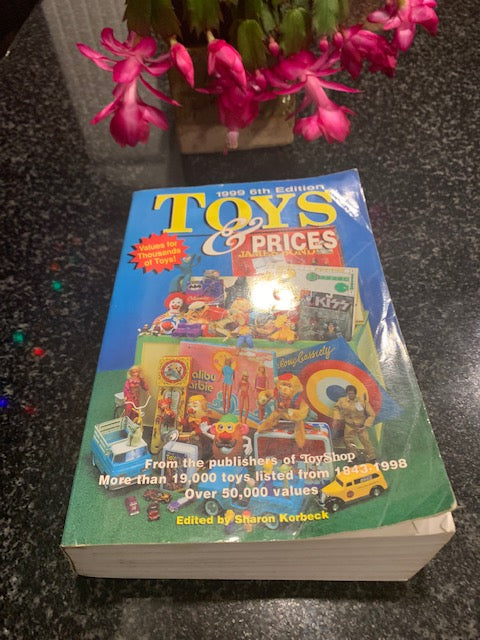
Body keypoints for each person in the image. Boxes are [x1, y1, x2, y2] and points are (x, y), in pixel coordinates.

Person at [332, 385, 376, 462]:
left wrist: (365, 426)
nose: (351, 395)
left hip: (361, 425)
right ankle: (353, 456)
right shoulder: (342, 401)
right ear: (347, 393)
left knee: (366, 441)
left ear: (355, 394)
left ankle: (371, 457)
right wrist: (336, 419)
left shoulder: (362, 402)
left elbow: (371, 415)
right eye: (349, 393)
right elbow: (336, 408)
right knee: (348, 441)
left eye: (352, 393)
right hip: (349, 425)